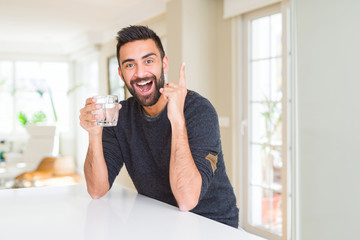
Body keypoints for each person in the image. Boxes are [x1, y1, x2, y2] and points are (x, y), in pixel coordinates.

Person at [79, 25, 239, 228]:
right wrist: (94, 134)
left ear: (164, 64)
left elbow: (186, 200)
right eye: (130, 65)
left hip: (214, 225)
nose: (140, 73)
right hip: (160, 222)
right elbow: (96, 190)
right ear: (121, 74)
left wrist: (177, 120)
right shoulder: (119, 115)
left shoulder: (199, 111)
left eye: (148, 61)